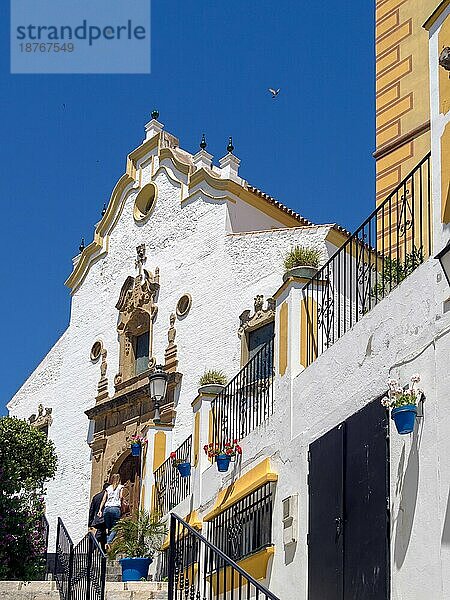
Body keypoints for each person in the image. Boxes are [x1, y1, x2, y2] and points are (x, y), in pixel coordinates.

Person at [98, 473, 123, 548]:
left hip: (107, 509)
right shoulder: (120, 487)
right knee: (115, 527)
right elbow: (121, 497)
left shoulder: (108, 488)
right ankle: (108, 542)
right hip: (115, 508)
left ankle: (107, 544)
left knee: (109, 529)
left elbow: (103, 499)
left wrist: (100, 510)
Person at [88, 482, 108, 551]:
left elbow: (91, 510)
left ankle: (104, 552)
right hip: (103, 518)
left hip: (97, 519)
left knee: (103, 534)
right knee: (100, 534)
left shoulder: (96, 497)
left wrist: (90, 521)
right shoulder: (107, 496)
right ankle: (92, 549)